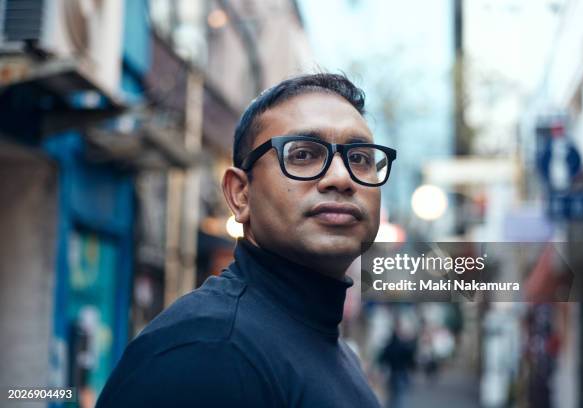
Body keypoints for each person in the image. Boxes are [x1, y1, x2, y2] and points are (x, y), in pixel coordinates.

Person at [95, 73, 397, 407]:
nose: (341, 178)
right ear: (241, 194)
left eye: (359, 159)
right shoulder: (208, 350)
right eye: (302, 155)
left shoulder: (331, 346)